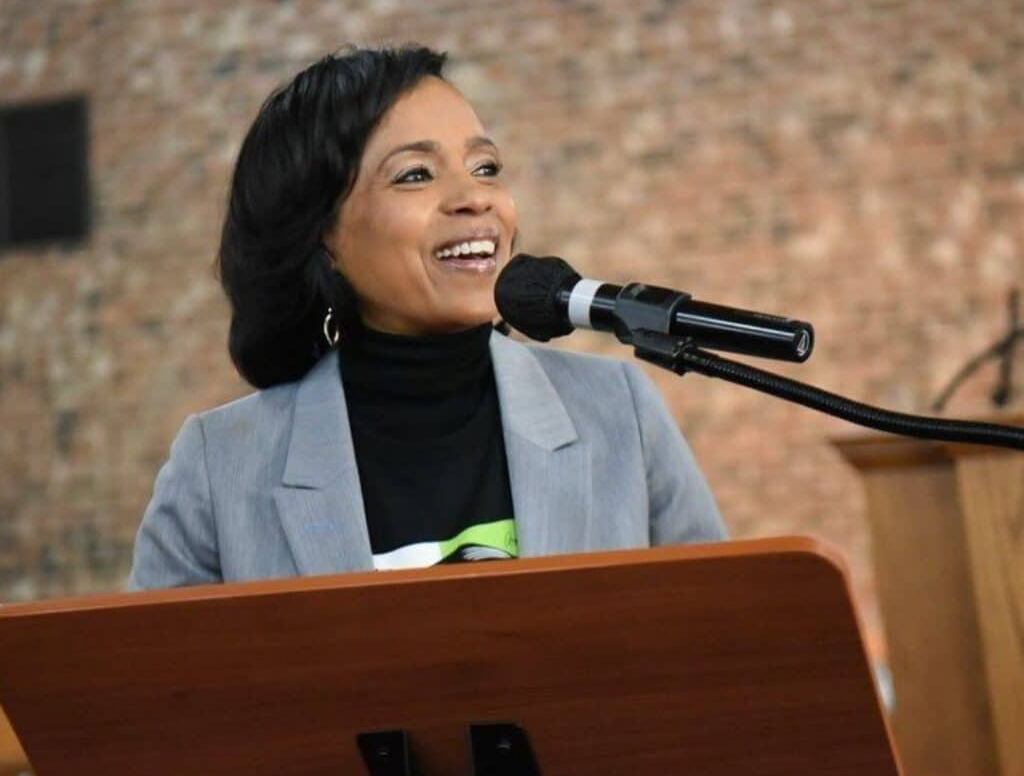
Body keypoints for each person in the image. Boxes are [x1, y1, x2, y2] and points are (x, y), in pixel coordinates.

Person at [128, 43, 726, 589]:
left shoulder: (617, 409)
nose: (476, 197)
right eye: (415, 174)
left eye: (486, 167)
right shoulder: (221, 464)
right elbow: (155, 694)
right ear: (322, 234)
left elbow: (719, 641)